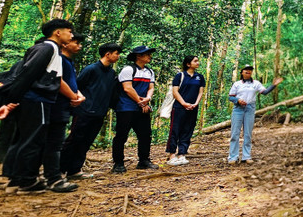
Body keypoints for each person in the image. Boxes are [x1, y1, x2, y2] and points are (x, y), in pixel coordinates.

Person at [1, 18, 78, 194]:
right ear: (58, 32)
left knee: (28, 139)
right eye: (69, 31)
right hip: (38, 100)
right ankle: (27, 182)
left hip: (35, 99)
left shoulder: (48, 49)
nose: (71, 35)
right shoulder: (48, 48)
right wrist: (13, 100)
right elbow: (28, 74)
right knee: (34, 140)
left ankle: (19, 179)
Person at [60, 42, 122, 180]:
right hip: (84, 112)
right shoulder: (91, 69)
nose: (118, 56)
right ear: (108, 54)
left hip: (99, 113)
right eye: (116, 53)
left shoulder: (112, 73)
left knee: (86, 142)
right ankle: (59, 171)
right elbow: (76, 86)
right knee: (74, 140)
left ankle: (74, 170)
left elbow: (112, 94)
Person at [40, 32, 86, 193]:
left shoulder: (67, 62)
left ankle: (52, 175)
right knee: (53, 142)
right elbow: (57, 81)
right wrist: (74, 96)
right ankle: (53, 177)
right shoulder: (58, 59)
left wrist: (77, 94)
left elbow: (70, 82)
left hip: (64, 106)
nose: (79, 46)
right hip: (55, 105)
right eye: (76, 42)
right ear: (65, 43)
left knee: (56, 141)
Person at [111, 45, 158, 173]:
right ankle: (118, 163)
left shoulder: (149, 72)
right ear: (138, 56)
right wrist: (140, 102)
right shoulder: (128, 70)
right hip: (126, 107)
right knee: (121, 135)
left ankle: (144, 160)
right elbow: (127, 88)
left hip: (142, 107)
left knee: (145, 134)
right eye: (146, 54)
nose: (149, 56)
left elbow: (151, 87)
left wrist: (147, 99)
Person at [227, 66, 282, 164]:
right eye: (246, 70)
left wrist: (273, 85)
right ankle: (233, 157)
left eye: (250, 70)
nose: (248, 71)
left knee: (248, 133)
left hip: (250, 109)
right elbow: (231, 97)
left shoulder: (255, 83)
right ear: (242, 72)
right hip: (238, 109)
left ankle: (246, 156)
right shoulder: (237, 84)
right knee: (235, 133)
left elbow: (264, 92)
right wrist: (238, 100)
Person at [165, 55, 206, 166]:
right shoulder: (180, 76)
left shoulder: (200, 77)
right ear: (188, 64)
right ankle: (172, 154)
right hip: (179, 107)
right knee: (175, 130)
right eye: (195, 61)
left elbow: (200, 92)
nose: (198, 63)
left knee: (188, 130)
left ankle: (182, 154)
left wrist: (196, 103)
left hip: (193, 108)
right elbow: (175, 91)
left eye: (198, 61)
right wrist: (183, 103)